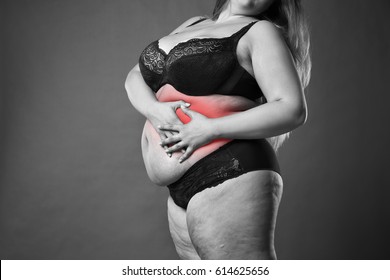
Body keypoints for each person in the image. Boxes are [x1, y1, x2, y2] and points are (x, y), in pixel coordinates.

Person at [125, 0, 311, 260]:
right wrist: (154, 110)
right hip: (180, 188)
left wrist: (210, 129)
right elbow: (135, 76)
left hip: (228, 169)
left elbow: (292, 109)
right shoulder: (194, 23)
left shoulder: (260, 32)